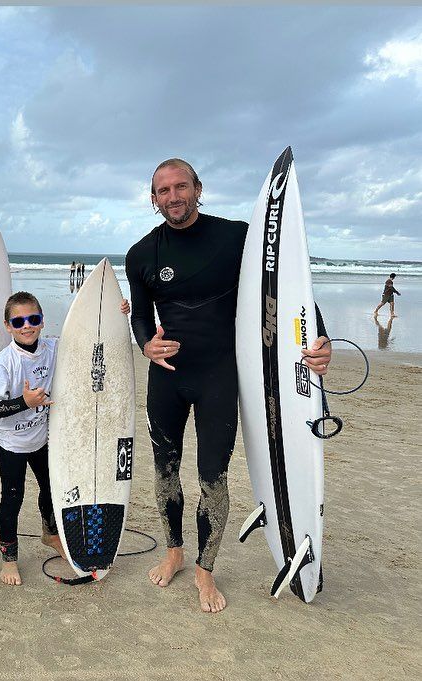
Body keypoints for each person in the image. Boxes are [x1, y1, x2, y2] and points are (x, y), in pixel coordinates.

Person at [124, 158, 331, 613]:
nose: (173, 197)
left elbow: (291, 289)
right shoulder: (142, 254)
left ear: (199, 188)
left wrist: (319, 338)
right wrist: (145, 345)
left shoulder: (238, 237)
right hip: (168, 378)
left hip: (220, 374)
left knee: (212, 475)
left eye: (181, 187)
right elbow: (141, 315)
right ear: (153, 199)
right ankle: (175, 550)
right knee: (165, 470)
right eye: (163, 191)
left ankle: (205, 570)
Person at [0, 291, 63, 586]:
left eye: (33, 319)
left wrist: (118, 313)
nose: (26, 326)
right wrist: (23, 403)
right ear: (8, 326)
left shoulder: (53, 348)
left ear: (42, 321)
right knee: (12, 498)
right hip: (12, 444)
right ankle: (9, 560)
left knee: (52, 488)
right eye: (18, 321)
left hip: (41, 438)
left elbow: (89, 339)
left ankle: (49, 534)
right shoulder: (3, 363)